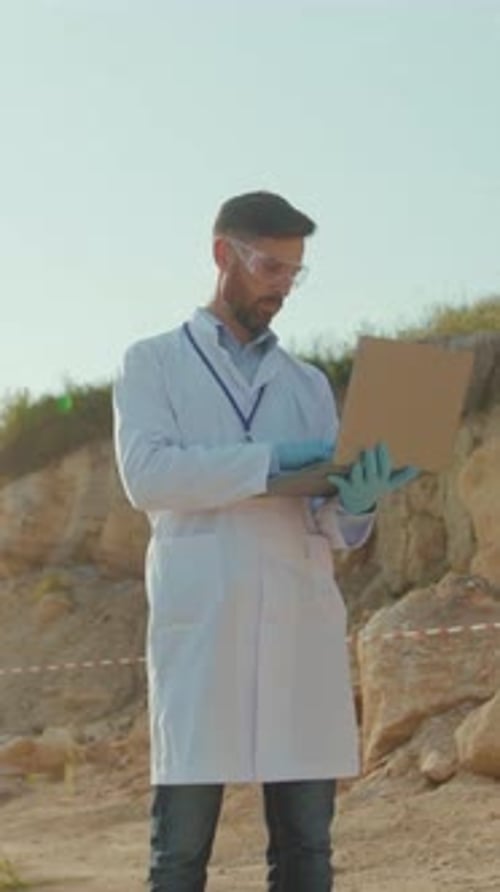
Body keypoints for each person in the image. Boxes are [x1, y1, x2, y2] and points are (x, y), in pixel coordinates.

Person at [112, 190, 418, 892]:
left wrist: (357, 499)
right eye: (269, 267)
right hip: (205, 635)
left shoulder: (307, 384)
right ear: (223, 254)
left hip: (297, 632)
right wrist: (274, 461)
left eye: (294, 272)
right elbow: (149, 475)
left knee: (308, 851)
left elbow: (332, 526)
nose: (283, 286)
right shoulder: (152, 363)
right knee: (181, 856)